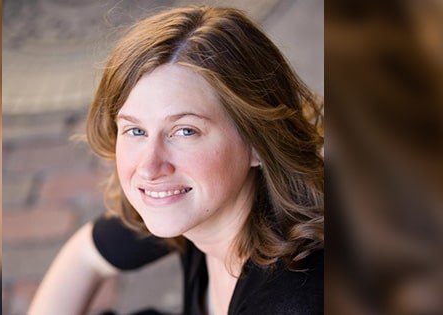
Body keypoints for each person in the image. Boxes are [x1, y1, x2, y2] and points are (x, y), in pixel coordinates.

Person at [29, 6, 323, 315]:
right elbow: (85, 255)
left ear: (258, 143)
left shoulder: (295, 299)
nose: (149, 167)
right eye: (136, 130)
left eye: (185, 131)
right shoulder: (202, 203)